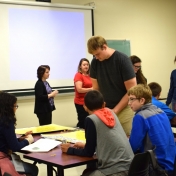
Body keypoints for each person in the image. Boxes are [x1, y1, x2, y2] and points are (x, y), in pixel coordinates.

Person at [61, 90, 134, 176]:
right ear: (103, 104)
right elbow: (107, 139)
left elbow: (88, 153)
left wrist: (69, 150)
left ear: (85, 107)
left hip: (114, 170)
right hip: (132, 166)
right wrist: (86, 145)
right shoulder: (110, 113)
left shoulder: (91, 119)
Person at [87, 36, 136, 136]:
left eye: (97, 54)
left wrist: (115, 110)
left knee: (126, 139)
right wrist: (98, 108)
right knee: (107, 138)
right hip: (105, 108)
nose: (96, 57)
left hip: (125, 108)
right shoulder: (95, 63)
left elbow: (132, 91)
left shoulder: (122, 60)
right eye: (94, 55)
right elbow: (96, 89)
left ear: (104, 47)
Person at [128, 84, 176, 176]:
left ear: (142, 100)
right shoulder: (161, 111)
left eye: (131, 99)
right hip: (171, 162)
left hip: (157, 167)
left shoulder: (140, 116)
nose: (129, 103)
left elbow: (133, 146)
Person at [0, 92, 38, 176]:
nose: (16, 109)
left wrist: (20, 139)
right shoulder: (6, 121)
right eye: (15, 106)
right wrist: (28, 140)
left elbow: (4, 140)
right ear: (8, 107)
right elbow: (15, 147)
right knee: (33, 169)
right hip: (2, 160)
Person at [74, 58, 93, 129]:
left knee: (89, 121)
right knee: (83, 122)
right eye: (84, 65)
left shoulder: (90, 75)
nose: (86, 66)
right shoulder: (78, 75)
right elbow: (79, 89)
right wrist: (91, 89)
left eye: (87, 64)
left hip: (89, 102)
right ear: (80, 66)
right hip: (81, 102)